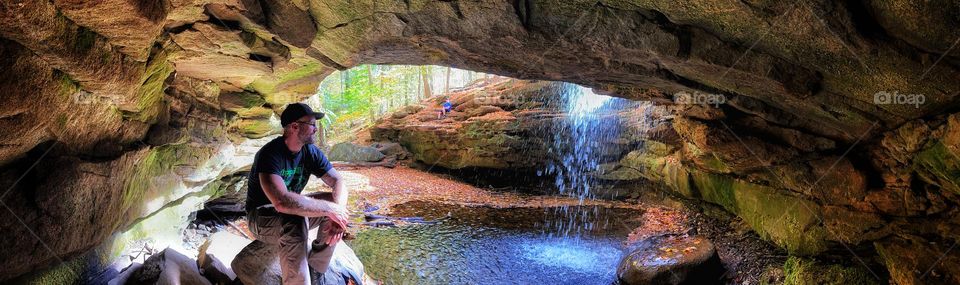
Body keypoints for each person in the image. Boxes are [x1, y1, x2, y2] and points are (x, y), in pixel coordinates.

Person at [245, 103, 350, 285]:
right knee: (296, 219)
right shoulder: (270, 154)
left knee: (333, 202)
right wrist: (330, 209)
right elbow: (282, 201)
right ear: (294, 126)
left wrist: (337, 213)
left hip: (287, 212)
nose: (316, 129)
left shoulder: (310, 152)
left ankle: (316, 271)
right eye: (311, 124)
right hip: (260, 217)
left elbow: (338, 182)